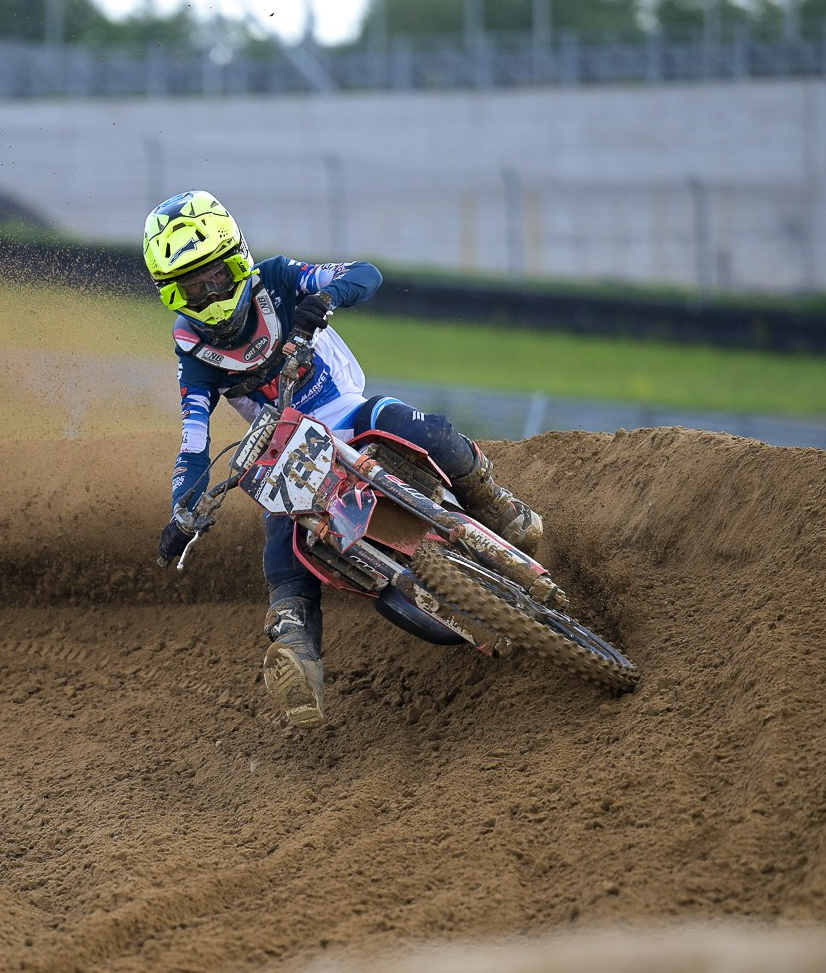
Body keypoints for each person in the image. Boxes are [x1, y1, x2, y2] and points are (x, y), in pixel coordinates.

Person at [145, 189, 544, 728]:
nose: (210, 292)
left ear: (235, 259)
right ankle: (294, 642)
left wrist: (327, 299)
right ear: (173, 295)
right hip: (284, 449)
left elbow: (366, 272)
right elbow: (194, 443)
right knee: (278, 524)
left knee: (414, 424)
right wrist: (181, 512)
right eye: (192, 286)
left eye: (214, 274)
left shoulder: (279, 278)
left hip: (346, 409)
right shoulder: (192, 353)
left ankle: (493, 503)